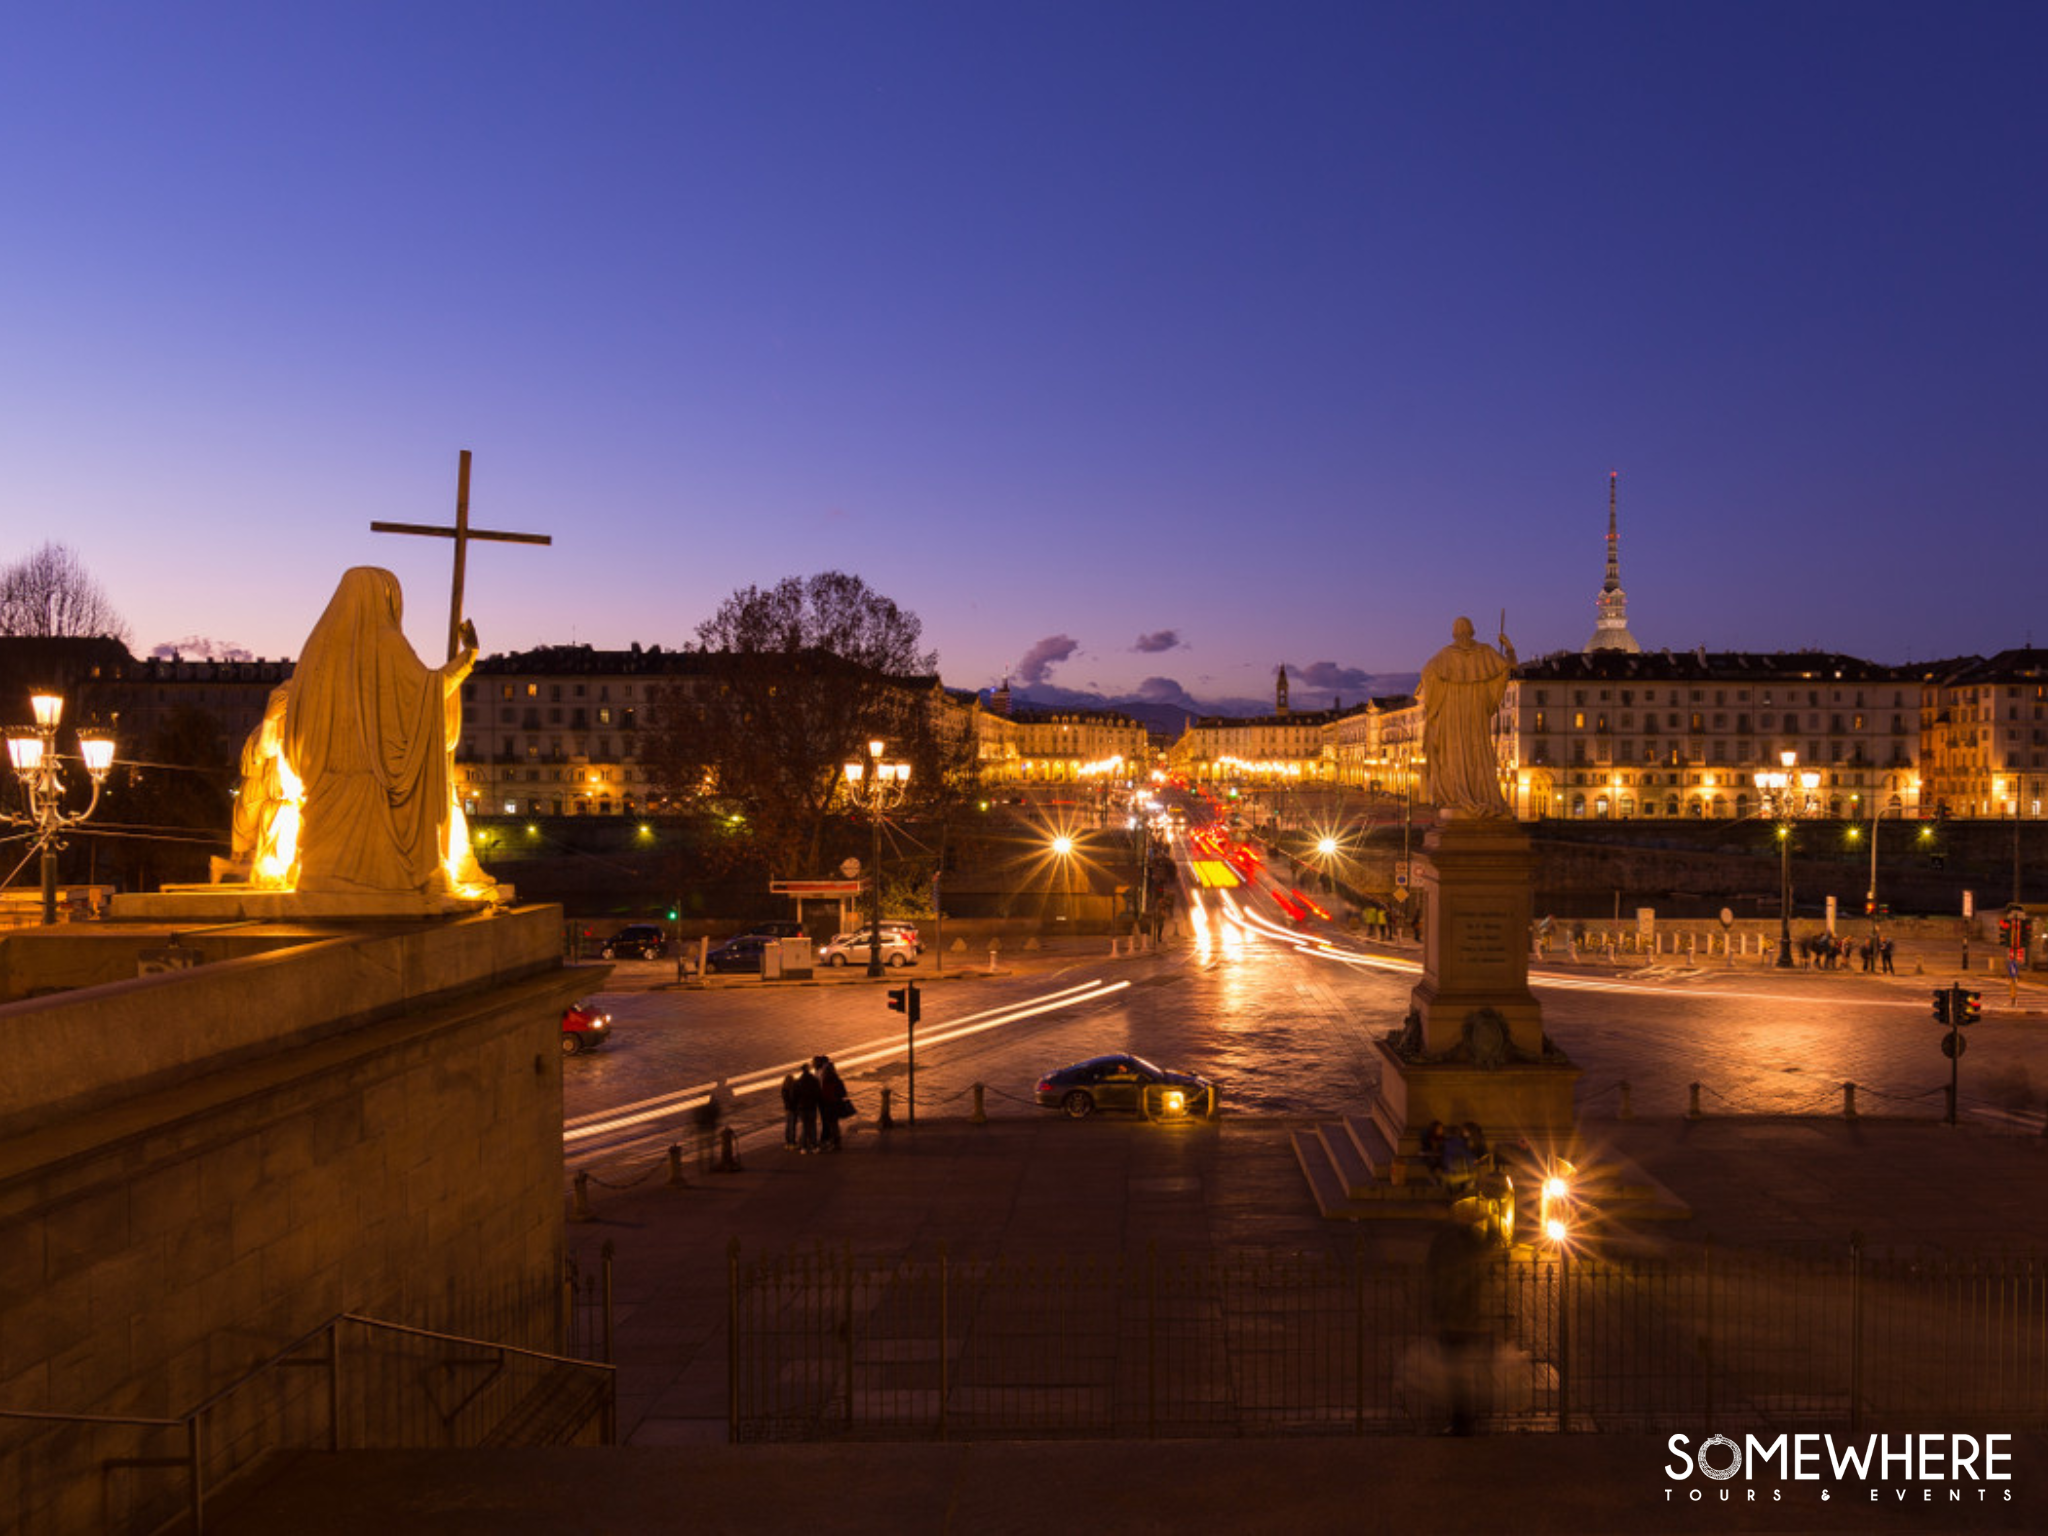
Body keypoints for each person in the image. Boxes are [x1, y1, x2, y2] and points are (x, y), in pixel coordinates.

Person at [231, 567, 492, 897]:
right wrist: (468, 657)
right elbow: (428, 691)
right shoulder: (385, 643)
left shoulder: (316, 652)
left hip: (322, 787)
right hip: (373, 782)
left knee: (323, 875)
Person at [1418, 617, 1516, 819]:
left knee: (1453, 754)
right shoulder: (1486, 652)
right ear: (1472, 631)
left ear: (1454, 632)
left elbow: (1427, 674)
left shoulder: (1444, 656)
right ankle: (1482, 794)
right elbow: (1508, 667)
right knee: (1477, 750)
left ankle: (1457, 795)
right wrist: (1509, 647)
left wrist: (1434, 707)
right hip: (1476, 711)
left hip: (1451, 713)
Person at [1426, 1203, 1497, 1435]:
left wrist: (1440, 1314)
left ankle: (1463, 1422)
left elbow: (1450, 1283)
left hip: (1458, 1318)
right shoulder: (1473, 1241)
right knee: (1465, 1370)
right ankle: (1467, 1417)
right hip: (1473, 1317)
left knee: (1457, 1372)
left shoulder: (1450, 1243)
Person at [815, 1055, 847, 1152]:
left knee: (830, 1123)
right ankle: (836, 1142)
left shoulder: (825, 1080)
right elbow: (843, 1093)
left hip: (828, 1104)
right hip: (835, 1103)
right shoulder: (836, 1079)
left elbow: (824, 1093)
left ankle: (832, 1142)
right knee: (834, 1124)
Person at [792, 1061, 822, 1153]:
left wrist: (797, 1105)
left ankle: (804, 1147)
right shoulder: (814, 1080)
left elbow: (794, 1096)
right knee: (812, 1126)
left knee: (805, 1127)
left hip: (802, 1107)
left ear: (802, 1070)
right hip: (812, 1106)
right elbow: (818, 1094)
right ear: (809, 1069)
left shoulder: (798, 1082)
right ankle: (814, 1146)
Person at [780, 1071, 799, 1149]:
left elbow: (786, 1100)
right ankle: (792, 1142)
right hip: (794, 1109)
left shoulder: (784, 1089)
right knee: (793, 1126)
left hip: (787, 1109)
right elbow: (795, 1099)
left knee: (788, 1126)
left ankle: (788, 1142)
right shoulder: (793, 1089)